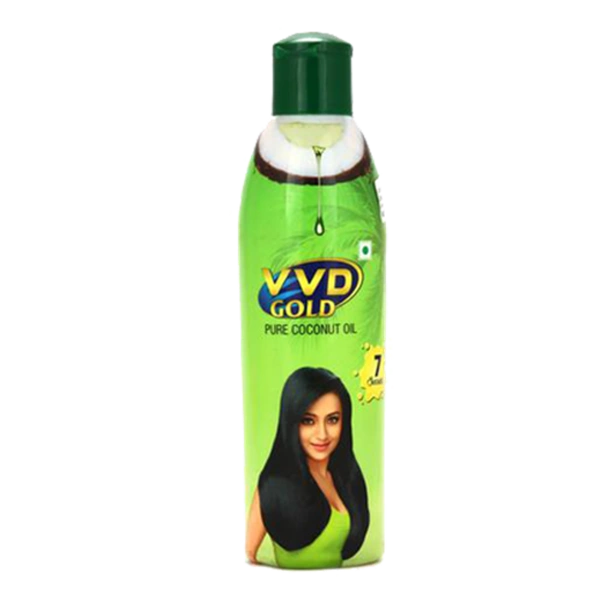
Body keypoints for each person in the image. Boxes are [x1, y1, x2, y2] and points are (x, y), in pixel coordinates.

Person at [245, 367, 369, 569]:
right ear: (291, 422)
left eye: (333, 419)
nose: (322, 434)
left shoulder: (345, 479)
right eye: (308, 421)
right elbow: (248, 554)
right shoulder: (274, 485)